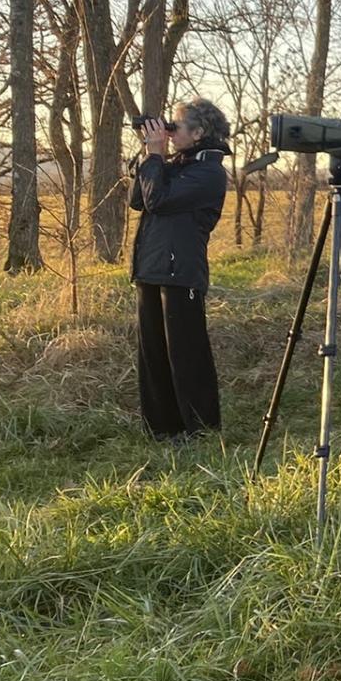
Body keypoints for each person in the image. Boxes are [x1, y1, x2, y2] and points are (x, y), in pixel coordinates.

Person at [130, 98, 232, 440]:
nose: (170, 134)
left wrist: (157, 155)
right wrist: (150, 155)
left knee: (186, 354)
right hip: (152, 268)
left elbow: (158, 200)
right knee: (153, 353)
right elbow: (138, 199)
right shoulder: (177, 164)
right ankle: (162, 428)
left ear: (199, 133)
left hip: (181, 272)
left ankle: (201, 429)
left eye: (177, 127)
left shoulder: (208, 173)